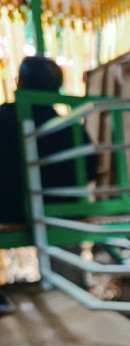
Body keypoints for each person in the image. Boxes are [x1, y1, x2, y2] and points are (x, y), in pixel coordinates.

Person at [0, 55, 97, 225]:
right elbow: (91, 170)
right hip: (67, 212)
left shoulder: (3, 117)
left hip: (11, 212)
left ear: (20, 83)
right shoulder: (71, 127)